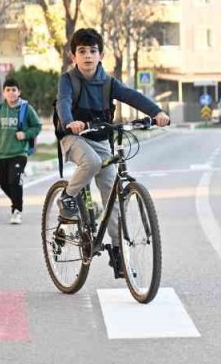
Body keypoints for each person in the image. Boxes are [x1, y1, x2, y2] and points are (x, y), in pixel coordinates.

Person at [56, 28, 170, 278]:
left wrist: (156, 113)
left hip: (101, 139)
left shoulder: (108, 83)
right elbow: (63, 102)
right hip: (74, 137)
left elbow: (132, 96)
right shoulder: (68, 80)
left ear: (101, 55)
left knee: (114, 200)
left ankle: (118, 254)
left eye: (92, 51)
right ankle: (67, 195)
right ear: (73, 55)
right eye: (82, 51)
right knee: (92, 162)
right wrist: (69, 121)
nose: (87, 56)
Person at [0, 77, 41, 225]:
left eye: (14, 90)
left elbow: (37, 126)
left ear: (19, 92)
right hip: (2, 153)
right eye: (8, 90)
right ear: (4, 92)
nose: (11, 93)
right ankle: (17, 200)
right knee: (3, 182)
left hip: (19, 153)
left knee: (14, 181)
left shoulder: (26, 109)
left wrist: (26, 134)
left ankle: (16, 210)